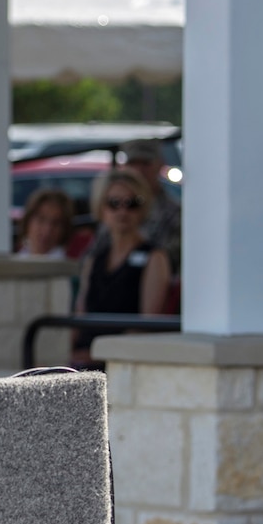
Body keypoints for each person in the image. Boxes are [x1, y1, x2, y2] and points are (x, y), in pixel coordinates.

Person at [71, 169, 173, 365]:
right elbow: (79, 318)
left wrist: (98, 355)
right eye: (114, 203)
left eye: (132, 204)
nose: (122, 212)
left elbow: (145, 324)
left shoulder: (154, 258)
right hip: (83, 359)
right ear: (101, 207)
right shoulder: (94, 260)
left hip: (122, 361)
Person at [116, 140, 180, 269]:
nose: (139, 170)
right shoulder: (114, 208)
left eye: (146, 163)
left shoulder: (174, 214)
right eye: (133, 163)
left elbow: (170, 260)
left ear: (160, 165)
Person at [17, 188, 73, 258]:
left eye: (55, 223)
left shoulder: (70, 266)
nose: (47, 229)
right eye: (41, 219)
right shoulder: (15, 261)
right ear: (28, 221)